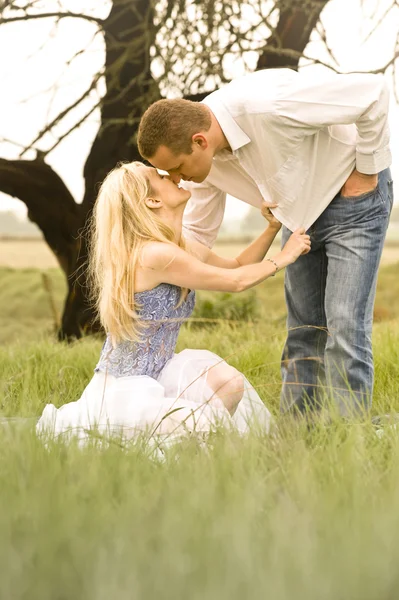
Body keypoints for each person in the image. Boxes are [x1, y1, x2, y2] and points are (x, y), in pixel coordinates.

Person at [137, 68, 394, 417]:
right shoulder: (203, 162)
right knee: (303, 330)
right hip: (298, 218)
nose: (178, 180)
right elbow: (195, 236)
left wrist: (367, 170)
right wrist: (147, 262)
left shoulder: (269, 104)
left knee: (345, 325)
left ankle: (350, 437)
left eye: (179, 168)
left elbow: (374, 92)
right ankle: (296, 436)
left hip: (351, 200)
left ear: (199, 141)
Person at [36, 162, 310, 447]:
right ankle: (192, 460)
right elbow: (236, 282)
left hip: (162, 372)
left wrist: (271, 229)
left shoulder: (179, 245)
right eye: (161, 176)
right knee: (204, 427)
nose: (174, 176)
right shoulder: (154, 255)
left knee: (229, 383)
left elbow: (237, 265)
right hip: (128, 391)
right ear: (153, 200)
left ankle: (201, 456)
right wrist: (285, 257)